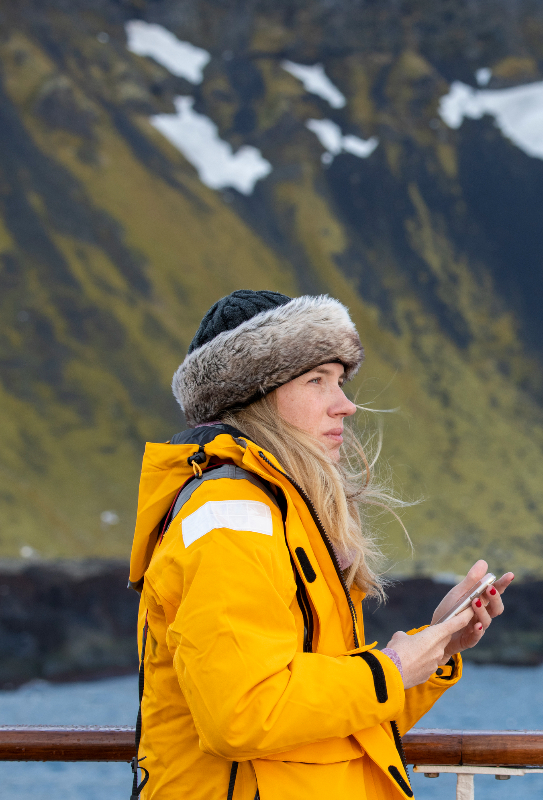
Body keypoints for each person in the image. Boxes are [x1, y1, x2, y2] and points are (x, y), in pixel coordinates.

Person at [127, 290, 514, 799]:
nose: (347, 404)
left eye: (340, 380)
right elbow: (241, 715)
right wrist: (391, 669)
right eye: (316, 381)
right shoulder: (231, 519)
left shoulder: (285, 514)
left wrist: (436, 648)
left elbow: (331, 721)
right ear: (253, 396)